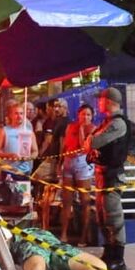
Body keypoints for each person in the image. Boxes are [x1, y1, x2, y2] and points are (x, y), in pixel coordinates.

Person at [86, 87, 130, 270]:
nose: (99, 103)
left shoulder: (118, 124)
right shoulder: (107, 122)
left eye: (101, 100)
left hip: (112, 177)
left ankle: (118, 258)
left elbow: (93, 142)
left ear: (110, 102)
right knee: (102, 216)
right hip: (102, 175)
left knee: (113, 217)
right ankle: (109, 252)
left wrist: (91, 141)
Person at [57, 104, 97, 243]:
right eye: (83, 114)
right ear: (78, 115)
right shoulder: (70, 126)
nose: (85, 117)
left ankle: (84, 236)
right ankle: (63, 234)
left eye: (88, 114)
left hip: (83, 163)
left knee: (85, 200)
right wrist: (60, 163)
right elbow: (65, 146)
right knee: (66, 200)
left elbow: (83, 146)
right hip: (69, 162)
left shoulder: (93, 129)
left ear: (92, 117)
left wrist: (81, 129)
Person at [0, 99, 37, 179]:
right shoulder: (4, 131)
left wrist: (29, 157)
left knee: (24, 192)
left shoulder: (29, 132)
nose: (19, 116)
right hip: (8, 171)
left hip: (24, 171)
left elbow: (35, 151)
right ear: (10, 115)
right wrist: (9, 155)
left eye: (21, 113)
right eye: (16, 113)